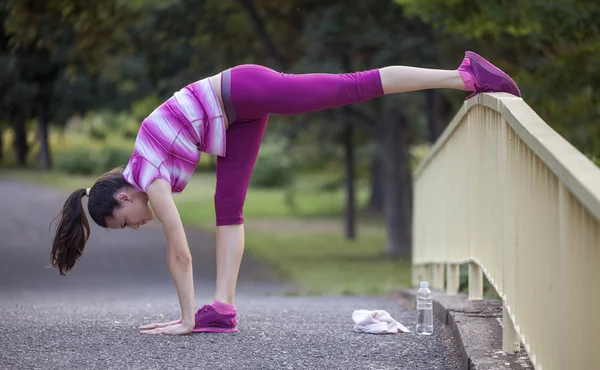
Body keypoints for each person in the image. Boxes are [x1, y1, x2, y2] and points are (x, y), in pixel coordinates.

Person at [50, 51, 520, 335]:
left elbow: (180, 251)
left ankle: (463, 75)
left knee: (350, 87)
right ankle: (225, 308)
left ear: (125, 198)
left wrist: (184, 318)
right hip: (236, 116)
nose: (137, 225)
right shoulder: (143, 164)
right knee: (228, 206)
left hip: (243, 90)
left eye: (126, 222)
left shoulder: (148, 173)